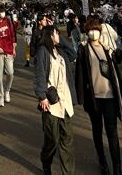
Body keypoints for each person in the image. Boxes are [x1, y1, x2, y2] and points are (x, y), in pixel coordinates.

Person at [76, 16, 122, 175]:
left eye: (96, 30)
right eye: (91, 30)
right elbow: (79, 75)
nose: (93, 33)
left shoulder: (107, 48)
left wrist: (115, 50)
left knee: (112, 132)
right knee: (97, 130)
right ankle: (103, 162)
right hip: (94, 97)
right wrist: (80, 96)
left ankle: (117, 167)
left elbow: (116, 71)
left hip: (110, 96)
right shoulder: (83, 49)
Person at [34, 24, 76, 175]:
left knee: (67, 139)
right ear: (50, 36)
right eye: (56, 33)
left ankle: (68, 172)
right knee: (53, 139)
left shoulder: (61, 51)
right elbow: (39, 74)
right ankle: (46, 160)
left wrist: (61, 41)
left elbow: (73, 53)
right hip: (51, 102)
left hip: (65, 100)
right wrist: (42, 96)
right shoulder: (42, 52)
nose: (58, 35)